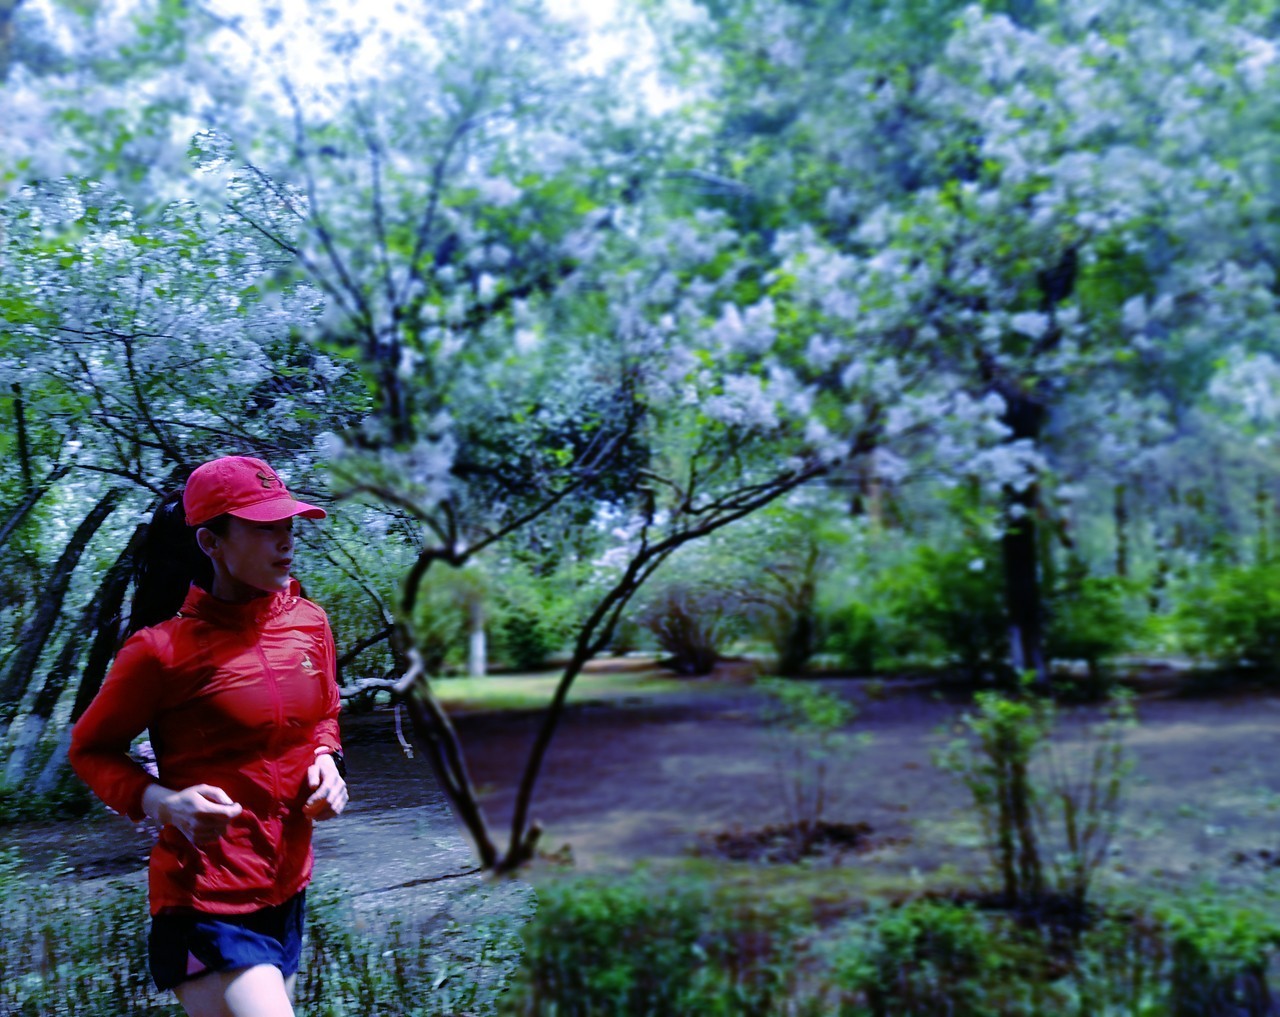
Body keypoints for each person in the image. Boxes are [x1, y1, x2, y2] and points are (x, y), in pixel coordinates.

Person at [69, 455, 348, 1017]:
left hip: (288, 886)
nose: (285, 540)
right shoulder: (161, 652)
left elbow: (325, 712)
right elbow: (90, 750)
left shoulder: (310, 624)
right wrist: (164, 803)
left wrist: (327, 757)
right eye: (263, 527)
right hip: (205, 898)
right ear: (211, 542)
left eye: (288, 524)